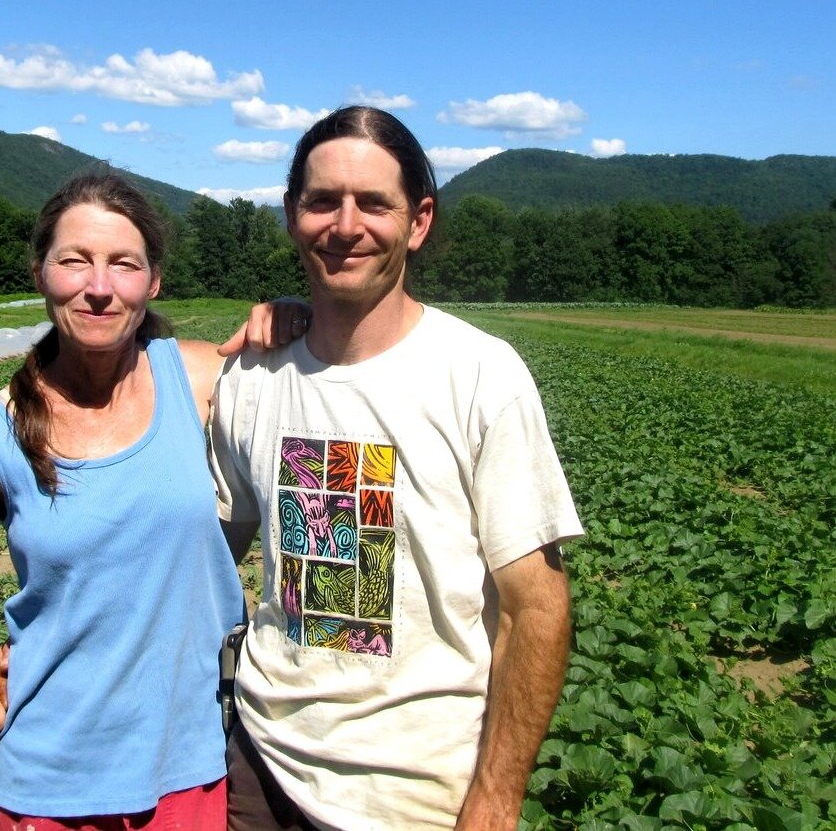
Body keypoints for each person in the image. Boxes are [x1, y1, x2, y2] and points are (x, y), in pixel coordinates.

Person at [0, 173, 309, 830]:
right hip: (40, 787)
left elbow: (322, 375)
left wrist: (292, 311)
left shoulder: (198, 378)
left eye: (123, 264)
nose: (99, 286)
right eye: (74, 260)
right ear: (40, 272)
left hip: (188, 774)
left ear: (154, 281)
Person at [210, 107, 585, 831]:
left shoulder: (479, 376)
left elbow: (537, 608)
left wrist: (496, 798)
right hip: (257, 769)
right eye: (322, 201)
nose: (344, 225)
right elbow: (200, 560)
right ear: (291, 215)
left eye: (372, 203)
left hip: (412, 793)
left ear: (416, 222)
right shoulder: (252, 377)